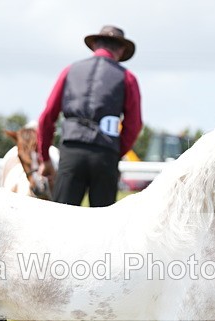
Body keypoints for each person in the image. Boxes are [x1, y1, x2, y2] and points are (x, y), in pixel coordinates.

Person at [37, 25, 142, 207]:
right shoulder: (127, 78)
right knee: (103, 226)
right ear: (122, 50)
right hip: (105, 154)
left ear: (94, 45)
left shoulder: (70, 71)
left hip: (72, 151)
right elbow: (134, 125)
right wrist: (116, 150)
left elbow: (47, 116)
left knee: (59, 220)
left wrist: (44, 156)